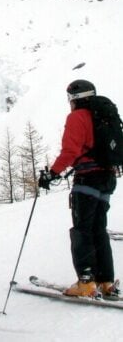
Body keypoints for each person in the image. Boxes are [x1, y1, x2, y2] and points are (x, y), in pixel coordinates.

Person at [39, 80, 119, 299]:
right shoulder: (104, 115)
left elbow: (70, 151)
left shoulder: (77, 117)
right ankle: (105, 281)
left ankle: (86, 282)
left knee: (82, 230)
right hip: (107, 178)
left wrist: (52, 173)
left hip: (88, 180)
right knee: (98, 229)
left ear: (75, 99)